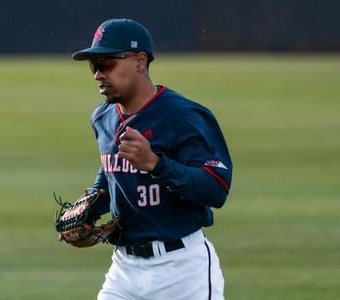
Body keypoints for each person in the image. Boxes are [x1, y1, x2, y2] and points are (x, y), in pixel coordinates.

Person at [71, 18, 232, 300]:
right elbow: (112, 171)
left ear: (139, 61)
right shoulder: (103, 117)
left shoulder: (183, 116)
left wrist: (157, 165)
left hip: (182, 269)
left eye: (107, 63)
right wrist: (92, 207)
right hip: (124, 269)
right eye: (93, 66)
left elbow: (216, 188)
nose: (98, 74)